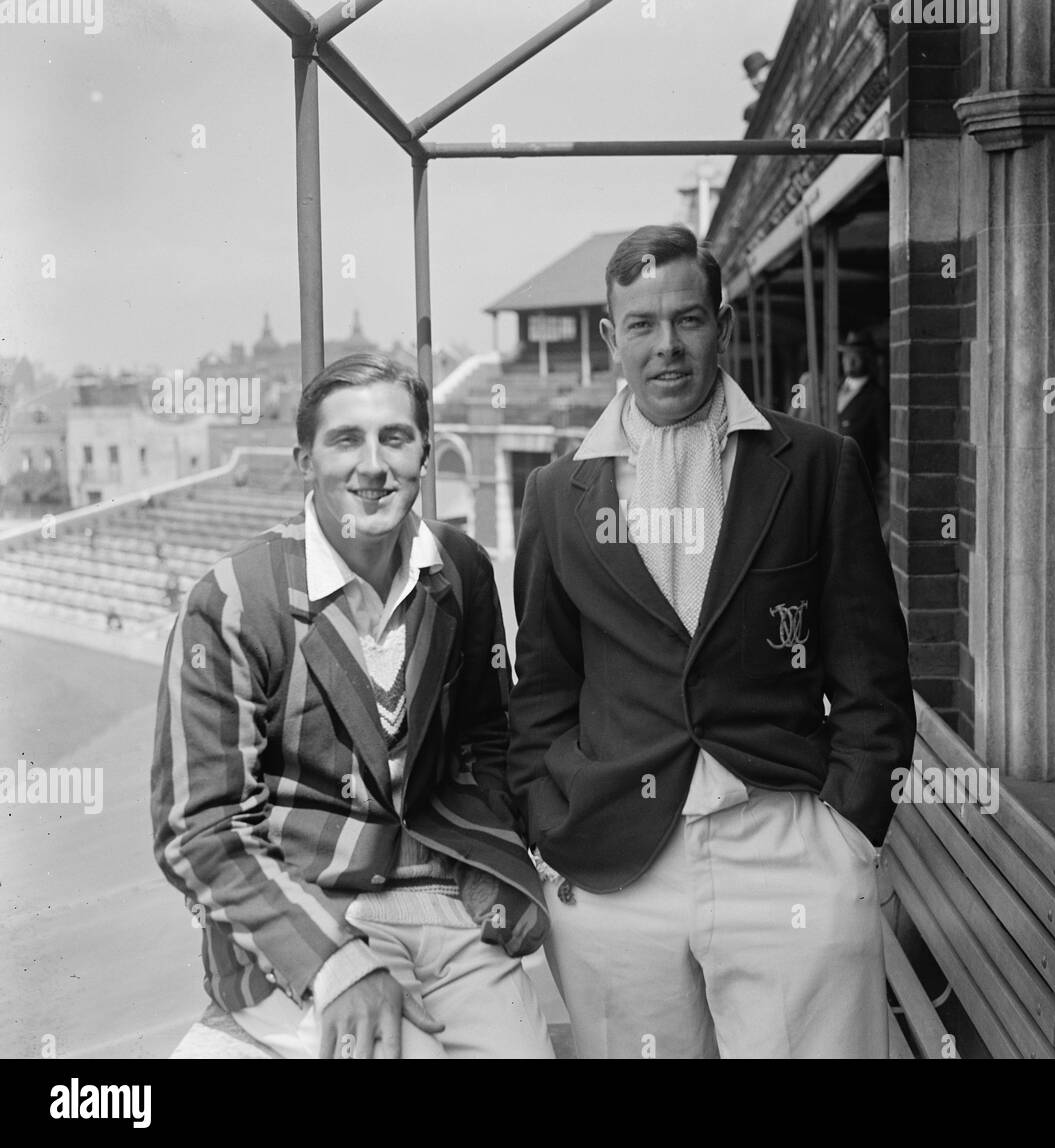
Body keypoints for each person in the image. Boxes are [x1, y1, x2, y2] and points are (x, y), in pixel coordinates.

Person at [508, 224, 915, 1059]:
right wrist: (551, 833)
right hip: (617, 865)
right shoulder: (556, 495)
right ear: (609, 337)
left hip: (787, 845)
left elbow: (872, 670)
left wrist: (851, 832)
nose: (668, 348)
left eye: (688, 320)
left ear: (721, 325)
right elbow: (543, 687)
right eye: (643, 326)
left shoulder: (817, 464)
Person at [151, 352, 553, 1059]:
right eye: (346, 441)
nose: (373, 465)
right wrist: (333, 964)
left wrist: (489, 857)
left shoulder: (460, 567)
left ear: (425, 452)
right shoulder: (236, 598)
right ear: (305, 460)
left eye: (395, 438)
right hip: (314, 904)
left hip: (446, 905)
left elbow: (490, 733)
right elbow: (200, 827)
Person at [835, 329, 891, 536]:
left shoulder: (877, 398)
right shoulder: (833, 389)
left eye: (856, 355)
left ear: (868, 358)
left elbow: (886, 454)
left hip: (858, 488)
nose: (850, 360)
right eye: (847, 354)